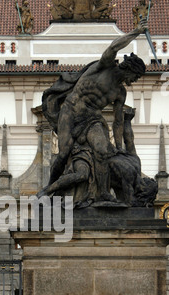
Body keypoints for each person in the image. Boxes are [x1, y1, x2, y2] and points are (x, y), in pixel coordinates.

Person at [40, 18, 148, 202]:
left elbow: (118, 121)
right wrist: (136, 32)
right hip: (71, 111)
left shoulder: (120, 92)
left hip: (92, 119)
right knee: (64, 152)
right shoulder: (104, 66)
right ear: (129, 69)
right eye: (135, 77)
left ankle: (104, 193)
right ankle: (49, 188)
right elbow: (113, 47)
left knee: (103, 150)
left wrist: (120, 148)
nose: (134, 81)